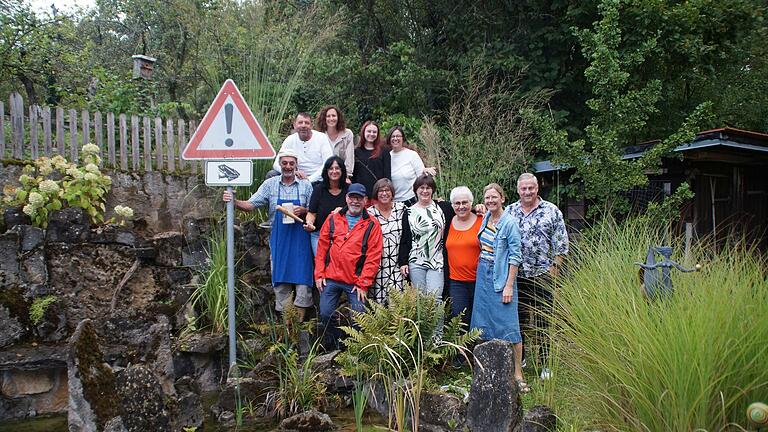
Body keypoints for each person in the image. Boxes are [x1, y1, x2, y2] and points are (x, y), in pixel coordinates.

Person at [223, 148, 314, 321]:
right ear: (280, 164)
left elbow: (315, 211)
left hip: (301, 241)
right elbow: (251, 204)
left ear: (296, 165)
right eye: (284, 163)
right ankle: (288, 330)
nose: (288, 166)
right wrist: (233, 201)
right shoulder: (270, 185)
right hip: (279, 240)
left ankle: (299, 327)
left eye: (291, 163)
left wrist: (304, 210)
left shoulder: (306, 185)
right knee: (281, 283)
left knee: (303, 284)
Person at [506, 173, 569, 380]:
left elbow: (561, 242)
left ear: (537, 188)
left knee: (543, 320)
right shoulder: (510, 211)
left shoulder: (551, 211)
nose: (527, 192)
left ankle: (545, 363)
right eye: (523, 189)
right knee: (519, 319)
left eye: (531, 188)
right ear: (518, 190)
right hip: (518, 275)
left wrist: (555, 267)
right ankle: (520, 358)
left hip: (543, 274)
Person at [470, 183, 527, 393]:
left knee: (509, 326)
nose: (491, 201)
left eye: (495, 197)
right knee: (484, 322)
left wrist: (509, 285)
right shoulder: (486, 218)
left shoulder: (510, 222)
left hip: (501, 275)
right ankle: (490, 369)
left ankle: (518, 373)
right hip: (483, 273)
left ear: (503, 198)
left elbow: (515, 256)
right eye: (487, 198)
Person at [315, 183, 383, 350]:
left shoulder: (372, 225)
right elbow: (322, 248)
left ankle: (354, 351)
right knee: (325, 313)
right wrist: (319, 274)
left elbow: (373, 258)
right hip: (330, 278)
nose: (355, 201)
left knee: (359, 317)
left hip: (355, 282)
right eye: (352, 197)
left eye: (359, 198)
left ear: (365, 201)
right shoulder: (333, 219)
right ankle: (335, 346)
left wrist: (363, 283)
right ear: (346, 198)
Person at [398, 174, 453, 299]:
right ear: (416, 190)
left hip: (437, 261)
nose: (425, 191)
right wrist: (403, 262)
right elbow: (405, 239)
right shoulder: (409, 212)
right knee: (421, 299)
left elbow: (461, 213)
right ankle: (422, 320)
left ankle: (438, 320)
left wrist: (476, 209)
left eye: (428, 188)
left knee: (436, 298)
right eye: (421, 188)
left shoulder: (443, 207)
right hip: (416, 261)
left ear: (432, 190)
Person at [444, 186, 483, 328]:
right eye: (457, 203)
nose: (461, 207)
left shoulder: (482, 220)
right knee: (460, 320)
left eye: (465, 202)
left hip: (479, 281)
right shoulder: (448, 221)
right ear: (452, 205)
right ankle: (463, 350)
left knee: (479, 320)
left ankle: (480, 350)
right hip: (456, 282)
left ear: (471, 203)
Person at [367, 178, 407, 304]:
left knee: (397, 304)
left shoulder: (402, 209)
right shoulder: (369, 213)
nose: (384, 193)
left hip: (397, 264)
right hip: (378, 265)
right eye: (381, 191)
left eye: (387, 190)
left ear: (392, 193)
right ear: (376, 194)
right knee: (379, 305)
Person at [271, 112, 334, 183]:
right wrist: (293, 172)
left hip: (318, 179)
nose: (303, 125)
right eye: (300, 122)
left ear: (311, 125)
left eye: (307, 123)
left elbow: (328, 163)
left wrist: (309, 179)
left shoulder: (321, 138)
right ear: (294, 125)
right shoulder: (290, 139)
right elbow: (276, 164)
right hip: (296, 177)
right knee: (272, 174)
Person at [304, 156, 348, 255]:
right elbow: (312, 212)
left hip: (343, 236)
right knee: (321, 266)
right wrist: (309, 223)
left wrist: (342, 211)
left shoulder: (349, 189)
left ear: (342, 170)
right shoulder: (318, 189)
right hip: (319, 235)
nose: (334, 171)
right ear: (326, 171)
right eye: (331, 168)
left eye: (337, 168)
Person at [387, 126, 436, 205]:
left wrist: (426, 171)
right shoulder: (387, 156)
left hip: (411, 200)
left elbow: (421, 177)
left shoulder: (411, 155)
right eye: (393, 136)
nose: (395, 138)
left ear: (403, 138)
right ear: (389, 139)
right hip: (393, 202)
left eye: (398, 136)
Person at [352, 120, 391, 198]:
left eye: (374, 132)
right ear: (363, 132)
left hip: (379, 194)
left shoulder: (384, 150)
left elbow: (387, 174)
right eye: (369, 131)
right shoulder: (356, 151)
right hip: (361, 195)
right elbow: (354, 175)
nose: (371, 134)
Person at [315, 105, 354, 181]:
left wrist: (347, 176)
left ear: (338, 117)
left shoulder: (347, 134)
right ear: (324, 118)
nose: (331, 118)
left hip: (341, 175)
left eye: (334, 116)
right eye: (328, 116)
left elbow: (349, 158)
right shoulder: (319, 135)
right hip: (323, 176)